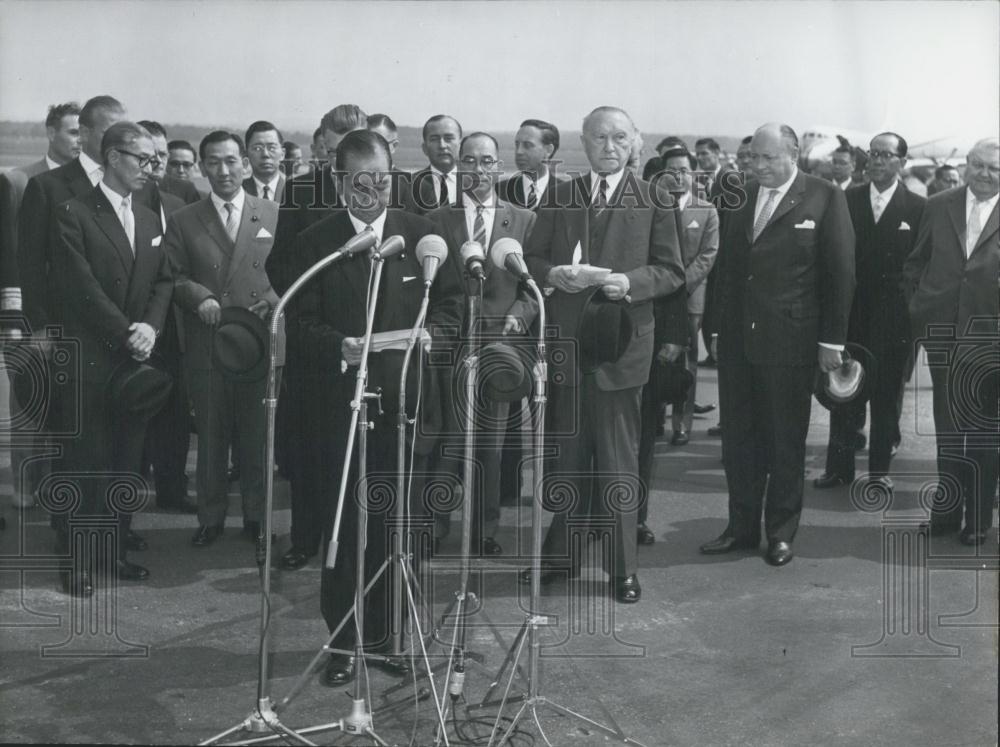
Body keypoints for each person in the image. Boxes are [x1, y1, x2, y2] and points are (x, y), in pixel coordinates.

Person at [284, 129, 463, 685]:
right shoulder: (318, 243)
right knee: (346, 525)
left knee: (395, 528)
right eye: (360, 184)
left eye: (381, 182)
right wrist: (338, 345)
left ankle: (386, 639)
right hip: (339, 411)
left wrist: (435, 335)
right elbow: (299, 318)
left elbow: (453, 306)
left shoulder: (422, 236)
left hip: (405, 408)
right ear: (340, 182)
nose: (371, 194)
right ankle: (342, 645)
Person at [523, 106, 684, 603]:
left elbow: (672, 271)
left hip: (623, 346)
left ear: (635, 142)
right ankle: (562, 556)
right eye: (599, 138)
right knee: (567, 458)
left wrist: (628, 283)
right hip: (569, 346)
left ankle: (622, 570)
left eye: (619, 138)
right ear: (582, 143)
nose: (609, 147)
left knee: (617, 462)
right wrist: (551, 275)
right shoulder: (562, 196)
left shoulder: (655, 198)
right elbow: (532, 257)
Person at [701, 122, 854, 567]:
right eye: (754, 158)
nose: (759, 166)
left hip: (792, 343)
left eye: (769, 158)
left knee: (785, 441)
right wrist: (714, 329)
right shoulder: (741, 195)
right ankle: (741, 527)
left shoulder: (824, 196)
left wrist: (832, 340)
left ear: (792, 154)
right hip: (737, 343)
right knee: (739, 443)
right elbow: (726, 270)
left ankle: (781, 532)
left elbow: (840, 274)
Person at [50, 120, 173, 593]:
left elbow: (165, 278)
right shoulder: (73, 213)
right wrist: (127, 333)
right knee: (86, 465)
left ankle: (114, 553)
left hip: (135, 362)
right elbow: (79, 287)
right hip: (91, 365)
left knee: (126, 463)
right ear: (114, 158)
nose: (150, 167)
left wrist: (151, 327)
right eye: (142, 159)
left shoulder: (146, 215)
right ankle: (77, 562)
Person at [164, 130, 283, 548]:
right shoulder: (183, 219)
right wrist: (198, 298)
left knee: (257, 437)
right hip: (209, 343)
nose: (224, 170)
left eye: (232, 161)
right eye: (213, 162)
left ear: (246, 164)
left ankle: (257, 517)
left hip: (258, 342)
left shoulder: (273, 212)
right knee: (212, 437)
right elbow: (172, 277)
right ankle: (210, 517)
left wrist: (272, 301)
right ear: (201, 168)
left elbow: (290, 272)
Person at [266, 104, 367, 572]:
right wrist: (319, 294)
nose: (341, 148)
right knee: (310, 448)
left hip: (366, 338)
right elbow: (279, 263)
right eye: (334, 141)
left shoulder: (388, 188)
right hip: (314, 338)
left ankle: (357, 540)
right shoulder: (302, 188)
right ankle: (306, 537)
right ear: (322, 143)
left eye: (354, 139)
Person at [426, 131, 537, 554]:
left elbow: (534, 282)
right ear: (459, 166)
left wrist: (520, 314)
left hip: (500, 347)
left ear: (499, 166)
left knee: (490, 447)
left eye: (486, 161)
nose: (478, 169)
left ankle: (483, 531)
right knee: (446, 442)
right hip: (448, 345)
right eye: (469, 161)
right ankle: (434, 527)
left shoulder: (524, 219)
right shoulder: (437, 219)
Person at [815, 132, 924, 491]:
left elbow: (921, 266)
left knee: (887, 397)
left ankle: (879, 472)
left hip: (895, 321)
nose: (877, 160)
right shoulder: (845, 200)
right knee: (843, 392)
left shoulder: (918, 208)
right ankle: (839, 469)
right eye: (873, 154)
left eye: (886, 155)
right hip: (852, 316)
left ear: (901, 162)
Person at [904, 137, 999, 546]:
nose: (984, 173)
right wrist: (919, 309)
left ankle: (978, 520)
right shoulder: (939, 204)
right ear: (966, 164)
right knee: (948, 431)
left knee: (981, 432)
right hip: (943, 334)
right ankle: (945, 515)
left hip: (989, 340)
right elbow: (915, 262)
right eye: (977, 164)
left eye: (994, 167)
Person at [0, 101, 80, 510]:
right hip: (28, 313)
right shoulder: (16, 180)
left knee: (68, 402)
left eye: (83, 133)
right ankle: (25, 489)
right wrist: (14, 318)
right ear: (51, 132)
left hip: (74, 313)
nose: (78, 140)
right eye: (71, 132)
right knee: (29, 400)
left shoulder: (88, 181)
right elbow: (8, 252)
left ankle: (58, 488)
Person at [658, 145, 719, 445]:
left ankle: (682, 424)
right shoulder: (650, 206)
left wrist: (681, 285)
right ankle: (654, 417)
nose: (678, 176)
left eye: (684, 170)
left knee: (686, 360)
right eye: (671, 170)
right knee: (654, 356)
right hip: (655, 294)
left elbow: (708, 255)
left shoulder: (706, 210)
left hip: (689, 298)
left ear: (693, 174)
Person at [496, 119, 561, 211]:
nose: (519, 151)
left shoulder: (568, 194)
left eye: (527, 145)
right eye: (517, 144)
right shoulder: (499, 192)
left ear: (548, 150)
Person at [410, 114, 462, 213]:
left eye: (448, 138)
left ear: (460, 145)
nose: (442, 145)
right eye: (434, 139)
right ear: (425, 148)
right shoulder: (410, 186)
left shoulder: (474, 183)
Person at [242, 120, 286, 202]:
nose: (265, 154)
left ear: (282, 154)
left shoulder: (296, 191)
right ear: (246, 154)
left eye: (272, 148)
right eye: (257, 148)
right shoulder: (237, 192)